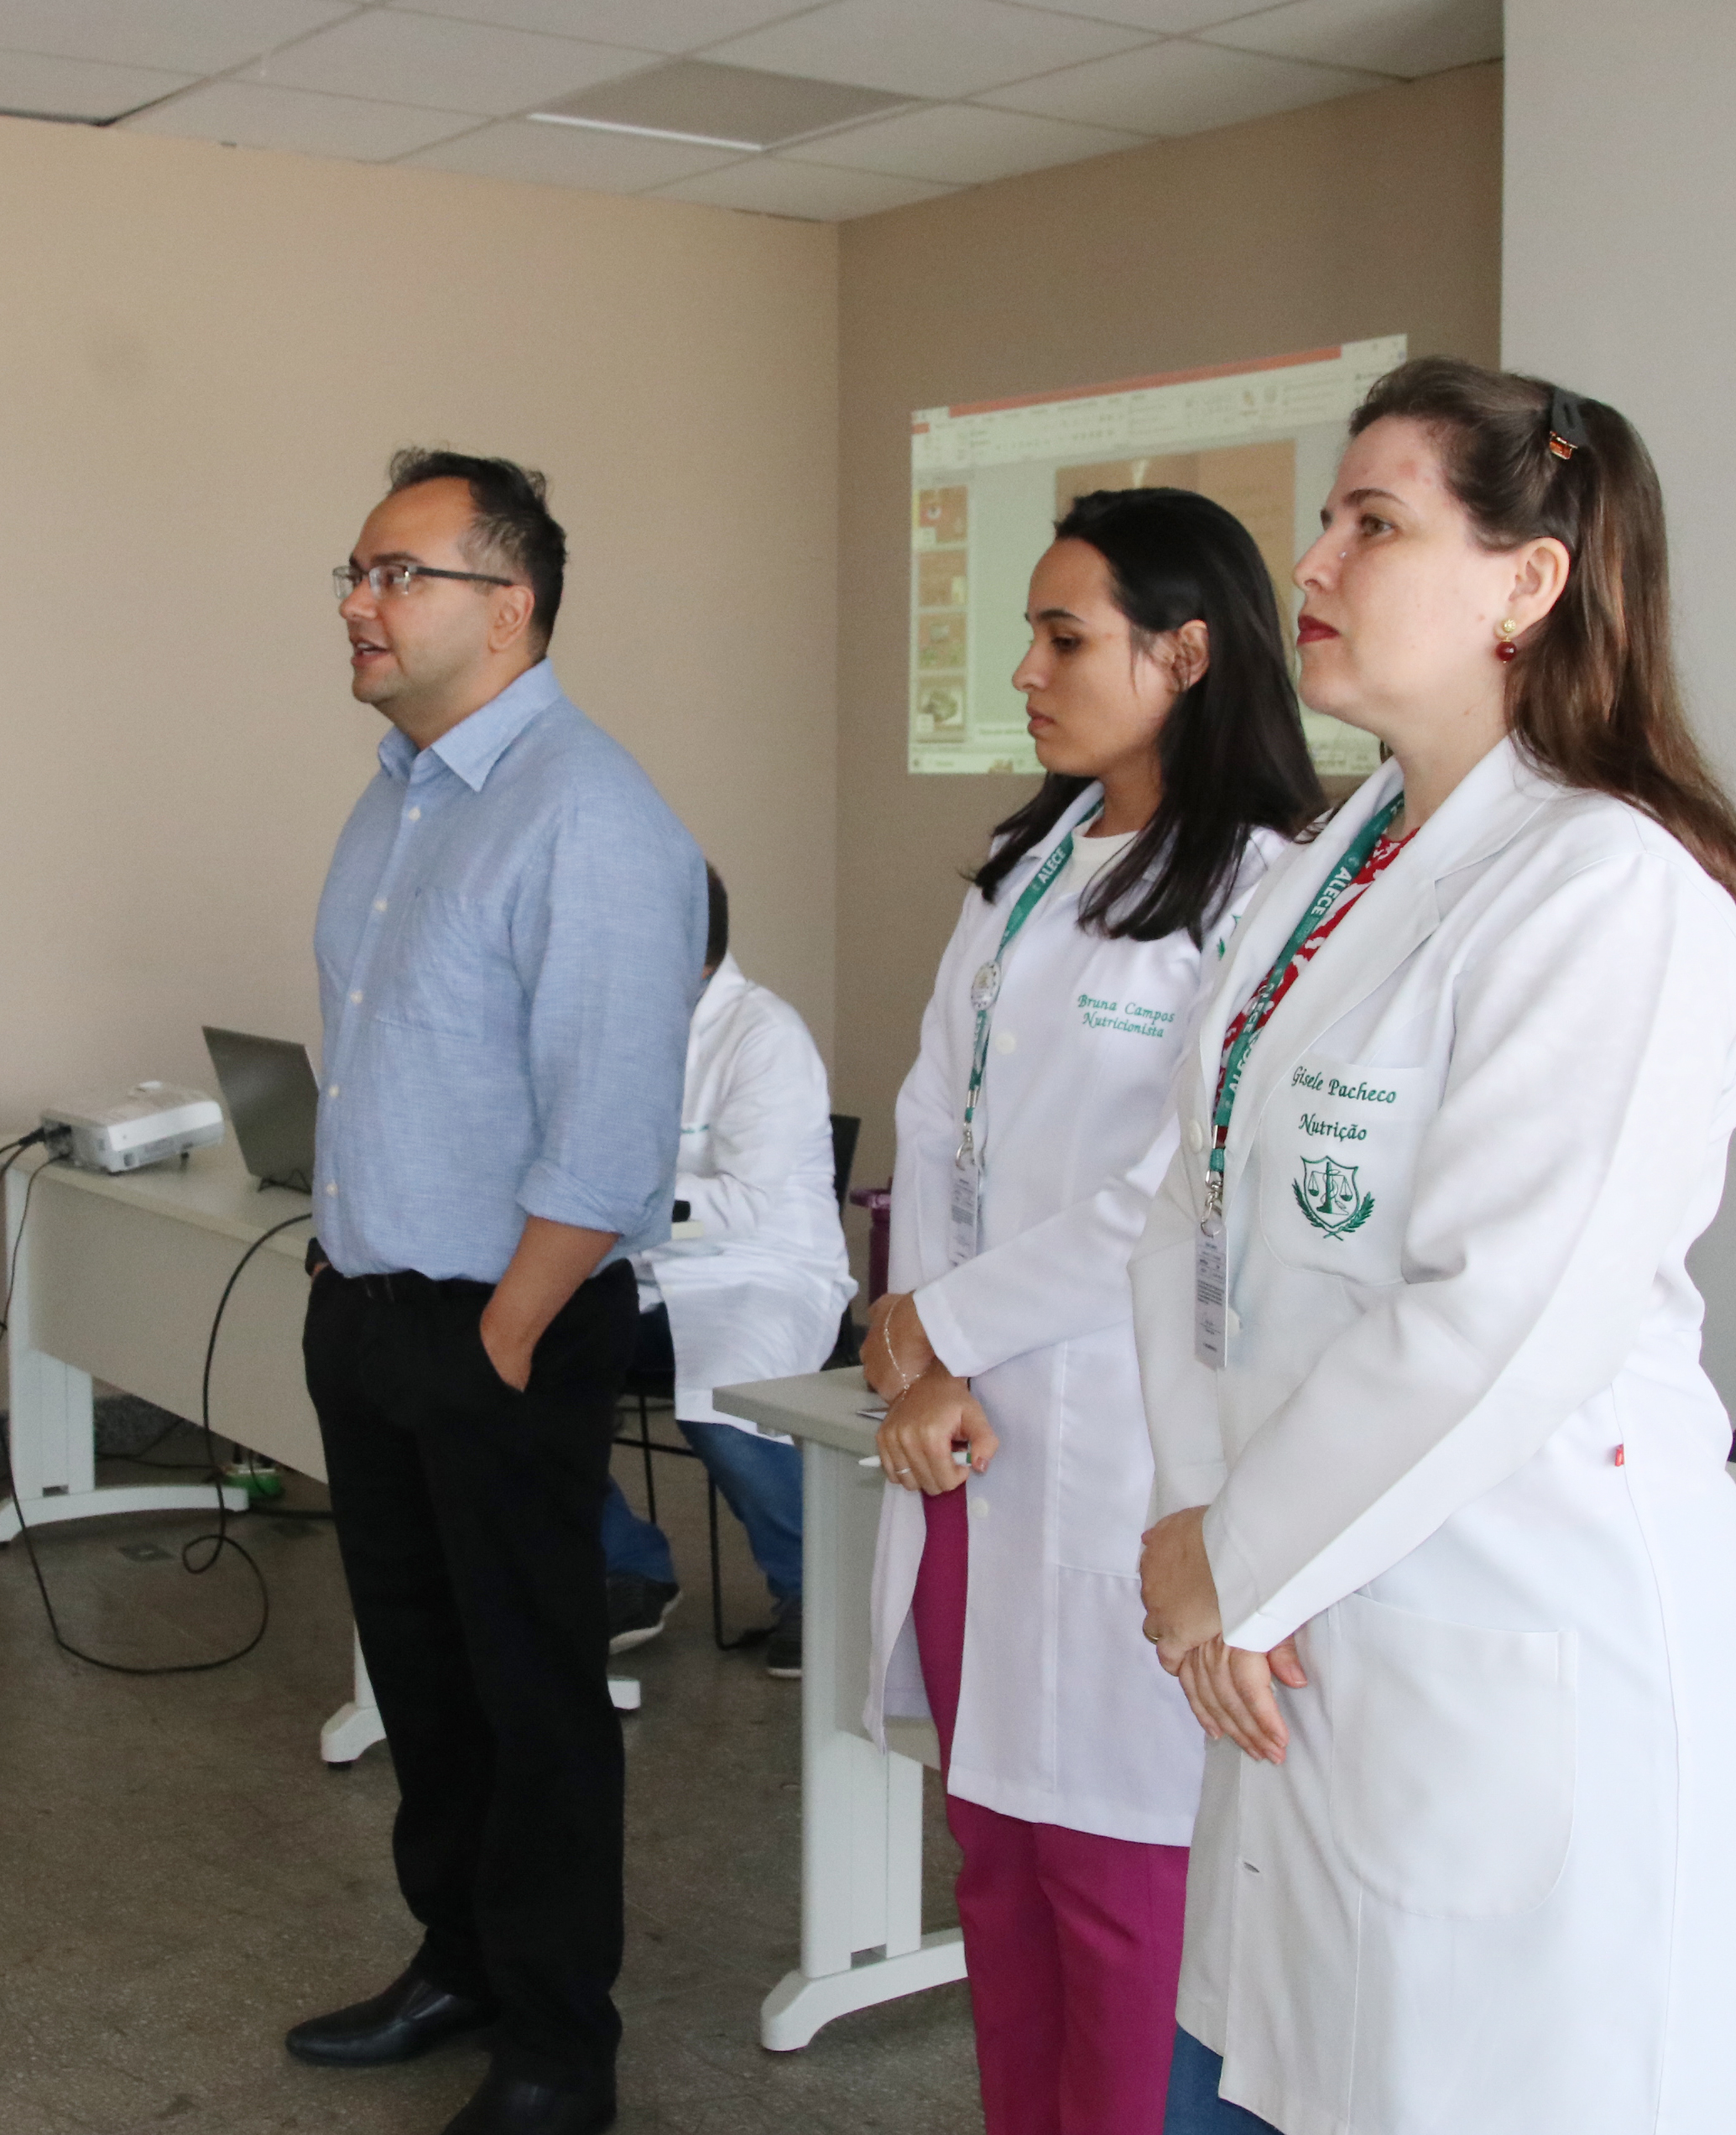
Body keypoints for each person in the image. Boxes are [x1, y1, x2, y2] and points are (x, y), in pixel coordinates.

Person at [1131, 358, 1736, 2134]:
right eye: (1325, 518)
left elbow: (1501, 1318)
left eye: (1374, 523)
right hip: (1297, 1629)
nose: (1312, 560)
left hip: (1507, 1626)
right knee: (1268, 2065)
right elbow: (1187, 1212)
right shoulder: (1329, 859)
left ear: (1528, 582)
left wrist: (1236, 1557)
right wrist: (1207, 1535)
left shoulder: (1614, 890)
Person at [864, 488, 1325, 2135]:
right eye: (1028, 636)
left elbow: (1171, 1191)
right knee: (998, 1867)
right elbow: (933, 1119)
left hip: (1129, 1453)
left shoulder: (1265, 890)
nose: (1025, 672)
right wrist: (918, 1352)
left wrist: (946, 1327)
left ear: (1185, 653)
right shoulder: (1028, 867)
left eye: (1063, 637)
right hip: (971, 1449)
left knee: (1124, 1893)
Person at [289, 448, 704, 2135]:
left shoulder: (588, 815)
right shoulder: (401, 793)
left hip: (500, 1323)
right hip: (371, 1311)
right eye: (355, 572)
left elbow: (608, 1132)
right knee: (424, 1671)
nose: (357, 603)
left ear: (509, 606)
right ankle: (455, 1957)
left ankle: (554, 2043)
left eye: (398, 574)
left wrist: (504, 1333)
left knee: (531, 1694)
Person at [600, 864, 856, 1677]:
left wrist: (611, 1199)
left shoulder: (763, 1035)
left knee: (722, 1402)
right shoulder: (618, 1025)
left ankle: (816, 1587)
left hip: (762, 1272)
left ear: (693, 953)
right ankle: (629, 1566)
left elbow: (742, 1202)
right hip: (642, 1274)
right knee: (525, 1370)